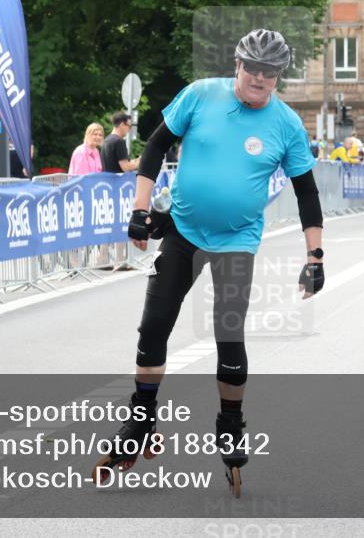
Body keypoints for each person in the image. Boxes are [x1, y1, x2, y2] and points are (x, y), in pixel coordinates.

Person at [93, 29, 326, 495]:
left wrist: (314, 256)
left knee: (228, 334)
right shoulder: (200, 95)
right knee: (153, 327)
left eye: (270, 72)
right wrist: (140, 209)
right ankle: (141, 420)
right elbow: (155, 147)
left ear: (279, 76)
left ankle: (231, 425)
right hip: (181, 232)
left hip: (237, 241)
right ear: (238, 65)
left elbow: (306, 192)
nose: (259, 78)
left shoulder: (285, 124)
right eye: (252, 68)